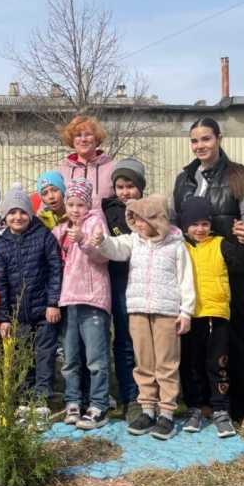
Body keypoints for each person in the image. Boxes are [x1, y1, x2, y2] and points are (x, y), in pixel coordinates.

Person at [172, 117, 244, 430]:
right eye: (195, 140)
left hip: (230, 267)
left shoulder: (237, 175)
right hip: (193, 269)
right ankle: (203, 403)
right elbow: (176, 219)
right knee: (197, 342)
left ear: (218, 138)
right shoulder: (184, 178)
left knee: (241, 336)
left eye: (206, 138)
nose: (200, 145)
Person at [91, 195, 195, 440]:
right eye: (134, 220)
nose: (137, 225)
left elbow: (186, 280)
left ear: (156, 220)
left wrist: (186, 312)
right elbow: (115, 249)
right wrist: (102, 241)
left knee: (166, 364)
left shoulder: (176, 246)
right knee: (144, 362)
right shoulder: (134, 242)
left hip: (167, 312)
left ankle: (166, 413)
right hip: (138, 310)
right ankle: (147, 409)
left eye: (141, 220)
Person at [0, 183, 63, 430]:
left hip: (44, 311)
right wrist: (4, 318)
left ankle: (41, 403)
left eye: (22, 211)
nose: (18, 217)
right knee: (24, 359)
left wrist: (53, 302)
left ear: (30, 213)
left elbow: (56, 269)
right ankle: (24, 404)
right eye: (12, 212)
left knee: (44, 356)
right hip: (18, 315)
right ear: (5, 216)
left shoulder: (44, 236)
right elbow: (0, 283)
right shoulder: (1, 245)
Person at [180, 197, 244, 438]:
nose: (199, 229)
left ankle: (221, 409)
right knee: (191, 364)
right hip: (190, 315)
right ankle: (196, 407)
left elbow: (240, 263)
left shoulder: (221, 244)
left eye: (204, 224)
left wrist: (242, 240)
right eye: (194, 224)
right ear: (184, 225)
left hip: (217, 315)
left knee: (217, 364)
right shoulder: (180, 247)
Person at [51, 179, 111, 429]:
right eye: (71, 204)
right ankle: (73, 400)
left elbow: (103, 255)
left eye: (80, 204)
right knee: (71, 357)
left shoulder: (96, 223)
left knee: (96, 358)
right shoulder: (61, 228)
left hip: (93, 298)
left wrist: (83, 240)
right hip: (69, 300)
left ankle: (99, 404)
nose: (75, 209)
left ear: (89, 204)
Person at [100, 158, 146, 421]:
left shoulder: (152, 209)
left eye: (130, 186)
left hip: (148, 282)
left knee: (148, 341)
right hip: (120, 282)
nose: (125, 192)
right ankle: (131, 396)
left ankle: (152, 393)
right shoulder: (109, 211)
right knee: (125, 340)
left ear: (140, 187)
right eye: (120, 186)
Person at [57, 115, 115, 209]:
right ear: (72, 140)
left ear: (96, 138)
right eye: (78, 135)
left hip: (104, 223)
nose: (83, 139)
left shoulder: (112, 168)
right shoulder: (62, 171)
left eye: (88, 134)